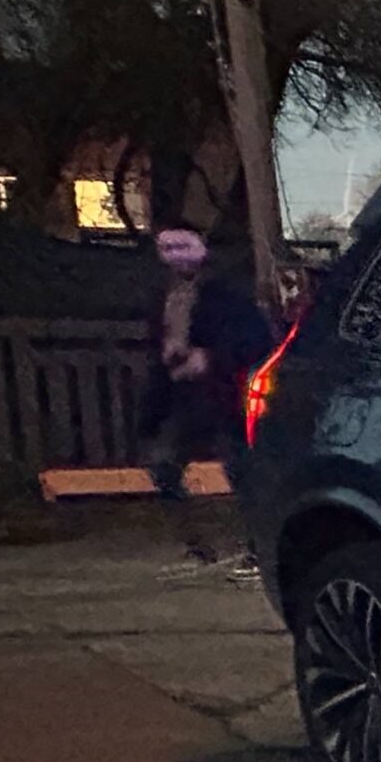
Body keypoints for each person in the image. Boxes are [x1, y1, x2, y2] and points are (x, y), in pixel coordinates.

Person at [139, 228, 272, 541]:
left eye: (183, 247)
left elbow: (254, 340)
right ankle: (193, 539)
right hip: (183, 392)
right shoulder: (164, 295)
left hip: (227, 392)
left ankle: (257, 539)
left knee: (242, 468)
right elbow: (159, 348)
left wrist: (211, 357)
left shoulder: (228, 292)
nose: (177, 256)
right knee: (164, 463)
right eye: (168, 248)